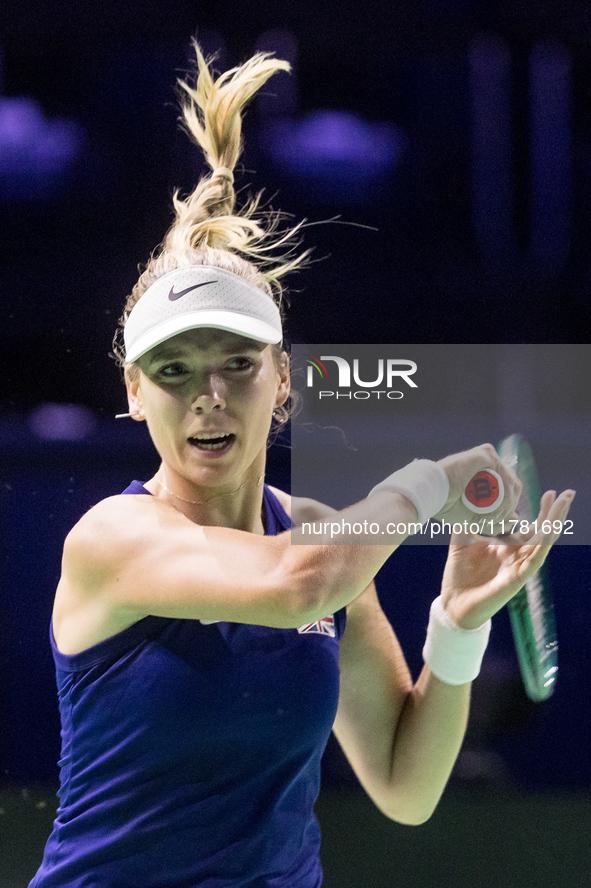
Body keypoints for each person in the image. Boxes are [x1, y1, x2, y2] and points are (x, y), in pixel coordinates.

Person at [30, 43, 574, 888]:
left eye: (235, 365)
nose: (207, 396)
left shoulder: (320, 536)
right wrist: (428, 481)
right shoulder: (113, 538)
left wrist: (458, 626)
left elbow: (405, 787)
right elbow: (296, 588)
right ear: (134, 393)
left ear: (283, 378)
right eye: (173, 373)